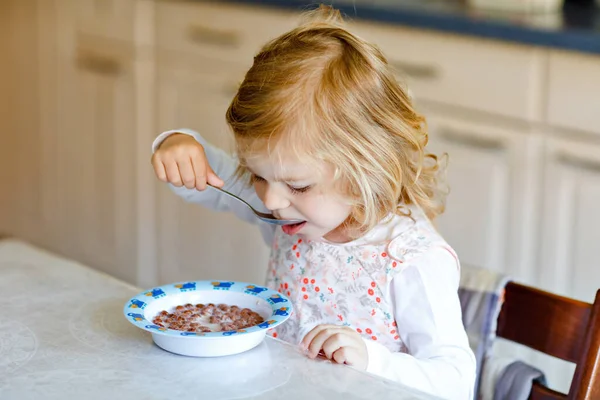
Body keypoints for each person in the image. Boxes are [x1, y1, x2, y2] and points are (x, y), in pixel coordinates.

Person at [151, 5, 476, 399]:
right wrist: (178, 145)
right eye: (256, 174)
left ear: (365, 171)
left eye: (299, 185)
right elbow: (207, 181)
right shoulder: (290, 214)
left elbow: (455, 381)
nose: (270, 199)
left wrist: (373, 360)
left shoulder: (410, 260)